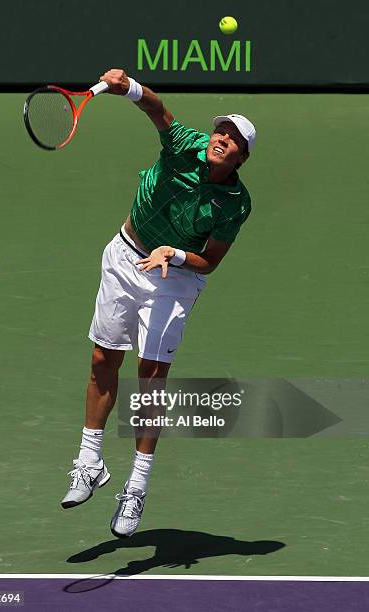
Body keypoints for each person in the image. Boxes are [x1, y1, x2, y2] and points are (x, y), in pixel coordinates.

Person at [61, 68, 256, 538]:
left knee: (150, 380)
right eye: (220, 131)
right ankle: (89, 460)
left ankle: (137, 486)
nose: (221, 139)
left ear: (241, 158)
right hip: (124, 257)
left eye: (233, 140)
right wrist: (125, 85)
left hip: (173, 278)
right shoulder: (185, 144)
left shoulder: (236, 204)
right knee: (102, 357)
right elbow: (155, 107)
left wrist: (174, 253)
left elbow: (209, 261)